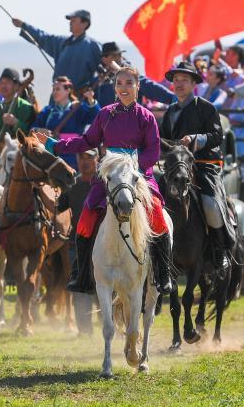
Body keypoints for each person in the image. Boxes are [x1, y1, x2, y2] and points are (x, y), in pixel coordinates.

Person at [35, 66, 174, 295]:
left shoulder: (147, 117)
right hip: (108, 175)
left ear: (138, 87)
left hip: (139, 175)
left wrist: (131, 167)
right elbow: (86, 141)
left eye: (129, 83)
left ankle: (163, 274)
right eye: (119, 83)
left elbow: (152, 152)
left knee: (158, 217)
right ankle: (82, 275)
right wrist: (52, 145)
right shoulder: (105, 114)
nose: (124, 87)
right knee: (85, 219)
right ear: (114, 88)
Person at [159, 61, 237, 272]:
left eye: (184, 80)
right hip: (176, 168)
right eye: (176, 80)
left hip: (203, 165)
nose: (179, 84)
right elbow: (165, 140)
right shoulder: (170, 112)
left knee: (211, 205)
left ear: (194, 84)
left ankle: (221, 249)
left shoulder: (206, 107)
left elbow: (216, 136)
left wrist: (195, 138)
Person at [56, 148, 98, 334]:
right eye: (81, 156)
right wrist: (39, 194)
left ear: (97, 159)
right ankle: (84, 331)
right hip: (77, 246)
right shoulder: (72, 186)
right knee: (80, 289)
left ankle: (110, 327)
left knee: (105, 288)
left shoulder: (105, 184)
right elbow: (57, 208)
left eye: (89, 157)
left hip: (103, 245)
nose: (85, 161)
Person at [11, 10, 101, 91]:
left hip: (80, 99)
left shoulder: (92, 46)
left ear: (84, 23)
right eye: (70, 21)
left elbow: (106, 69)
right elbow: (42, 37)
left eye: (73, 20)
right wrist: (24, 26)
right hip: (57, 96)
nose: (70, 23)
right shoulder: (62, 42)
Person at [32, 77, 101, 170]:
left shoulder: (79, 108)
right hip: (51, 158)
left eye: (58, 89)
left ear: (68, 90)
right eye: (53, 89)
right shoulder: (48, 111)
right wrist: (38, 130)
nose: (54, 92)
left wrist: (91, 100)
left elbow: (97, 118)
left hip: (73, 158)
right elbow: (32, 129)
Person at [94, 42, 176, 108]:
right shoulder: (99, 78)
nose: (118, 58)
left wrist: (174, 99)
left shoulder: (132, 75)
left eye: (119, 55)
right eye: (114, 55)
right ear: (104, 59)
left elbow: (150, 87)